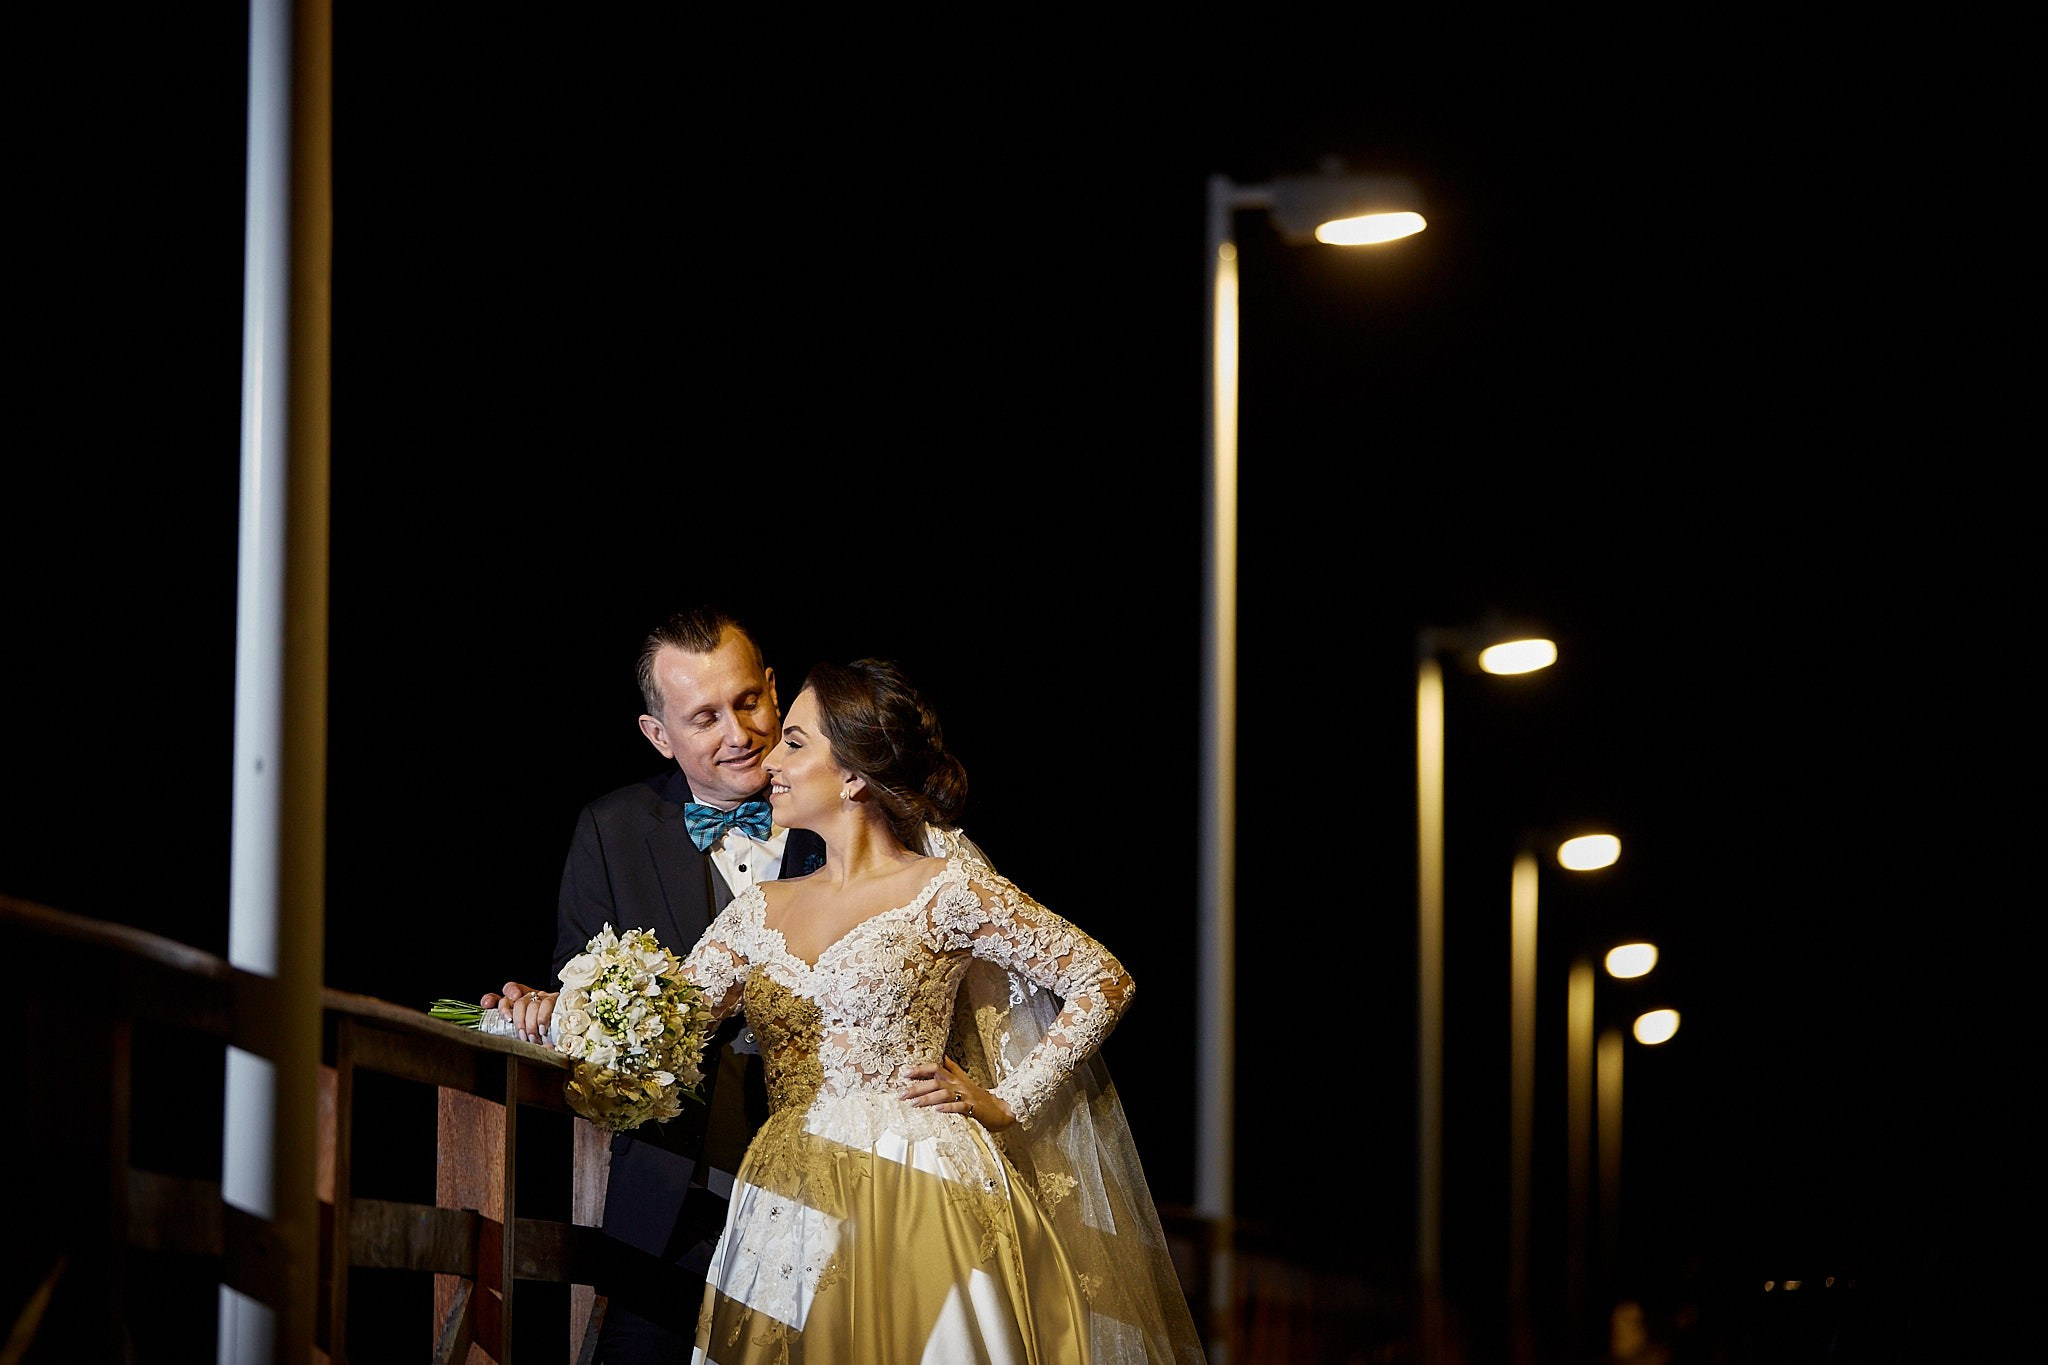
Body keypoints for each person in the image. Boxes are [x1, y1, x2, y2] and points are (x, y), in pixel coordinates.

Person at [503, 657, 1203, 1363]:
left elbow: (1101, 979)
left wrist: (1006, 1101)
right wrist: (544, 1013)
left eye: (794, 743)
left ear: (854, 777)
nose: (771, 759)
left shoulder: (947, 890)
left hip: (922, 1182)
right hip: (787, 1195)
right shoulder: (758, 912)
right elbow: (663, 1020)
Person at [486, 606, 825, 1363]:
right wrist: (546, 1011)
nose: (739, 733)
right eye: (704, 717)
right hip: (672, 1208)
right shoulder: (611, 830)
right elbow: (581, 994)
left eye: (748, 701)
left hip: (834, 1189)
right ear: (658, 734)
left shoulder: (845, 811)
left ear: (775, 689)